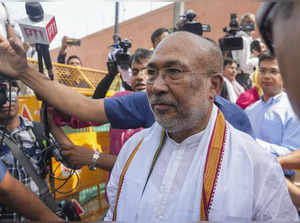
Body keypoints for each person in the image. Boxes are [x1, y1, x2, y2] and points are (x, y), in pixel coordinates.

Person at [0, 25, 297, 221]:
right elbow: (84, 108)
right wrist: (24, 71)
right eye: (152, 73)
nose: (156, 86)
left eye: (174, 71)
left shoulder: (256, 166)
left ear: (213, 86)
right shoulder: (133, 152)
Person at [256, 0, 300, 208]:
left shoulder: (291, 110)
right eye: (262, 71)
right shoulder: (248, 110)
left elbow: (293, 151)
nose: (266, 76)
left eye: (274, 70)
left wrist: (254, 147)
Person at [0, 78, 62, 221]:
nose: (5, 102)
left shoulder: (38, 131)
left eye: (10, 92)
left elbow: (72, 161)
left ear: (18, 95)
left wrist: (53, 123)